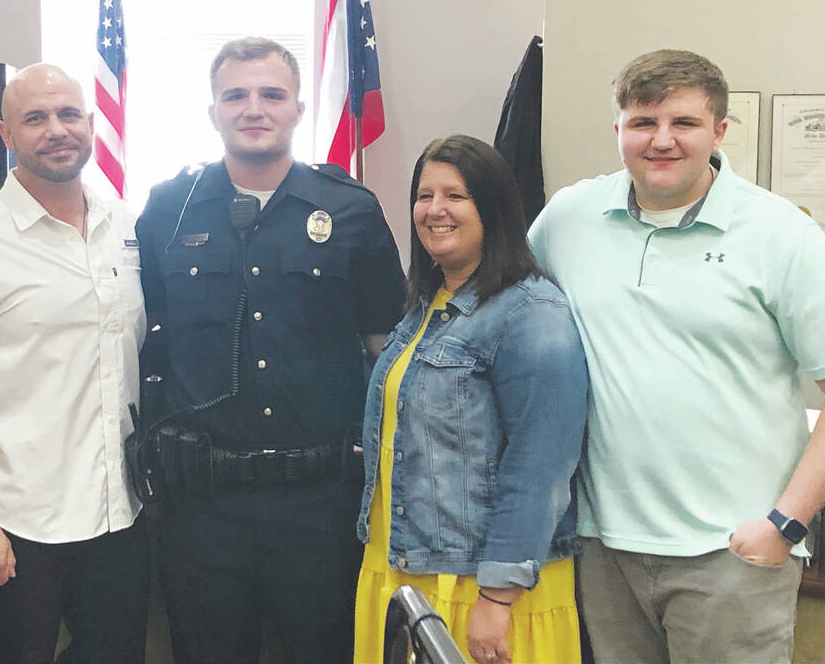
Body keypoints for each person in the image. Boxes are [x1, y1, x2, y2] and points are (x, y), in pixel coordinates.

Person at [528, 49, 825, 663]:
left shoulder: (784, 236)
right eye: (642, 122)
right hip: (603, 546)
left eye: (683, 123)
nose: (662, 140)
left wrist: (784, 525)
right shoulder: (568, 220)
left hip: (733, 554)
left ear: (719, 132)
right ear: (617, 130)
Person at [135, 36, 405, 664]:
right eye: (236, 95)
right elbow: (143, 331)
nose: (253, 108)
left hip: (320, 505)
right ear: (213, 112)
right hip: (201, 508)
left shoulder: (351, 209)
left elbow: (386, 351)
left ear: (298, 108)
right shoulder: (168, 211)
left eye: (271, 94)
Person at [0, 64, 148, 664]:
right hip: (14, 523)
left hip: (118, 511)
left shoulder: (125, 224)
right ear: (6, 135)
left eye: (69, 114)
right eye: (35, 118)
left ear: (92, 125)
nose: (56, 130)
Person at [353, 135, 588, 664]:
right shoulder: (427, 303)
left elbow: (540, 468)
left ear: (494, 208)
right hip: (404, 566)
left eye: (456, 196)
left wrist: (496, 598)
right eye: (424, 194)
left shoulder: (531, 313)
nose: (435, 210)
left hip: (485, 585)